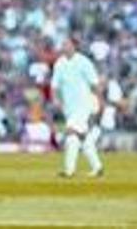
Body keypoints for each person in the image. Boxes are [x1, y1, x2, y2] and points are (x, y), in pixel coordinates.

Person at [50, 37, 103, 178]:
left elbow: (95, 83)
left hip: (84, 104)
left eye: (66, 44)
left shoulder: (84, 62)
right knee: (82, 138)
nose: (64, 46)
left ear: (74, 46)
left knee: (71, 133)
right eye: (63, 44)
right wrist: (55, 99)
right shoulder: (59, 63)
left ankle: (69, 170)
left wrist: (99, 101)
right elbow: (54, 85)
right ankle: (97, 167)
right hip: (69, 107)